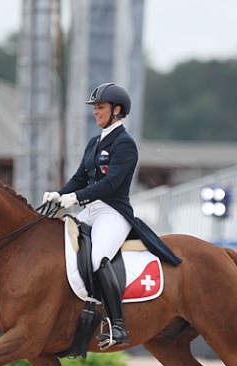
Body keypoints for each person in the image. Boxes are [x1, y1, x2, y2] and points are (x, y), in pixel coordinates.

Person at [42, 82, 181, 349]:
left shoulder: (125, 144)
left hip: (113, 212)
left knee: (97, 259)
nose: (95, 112)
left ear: (117, 110)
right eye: (95, 107)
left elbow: (111, 183)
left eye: (100, 107)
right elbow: (80, 177)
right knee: (63, 253)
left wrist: (78, 197)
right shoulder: (95, 142)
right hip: (90, 210)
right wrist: (60, 194)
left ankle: (118, 325)